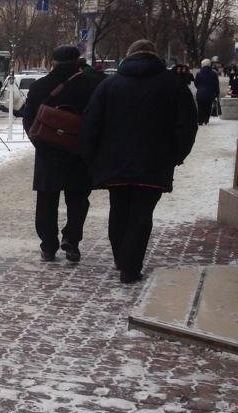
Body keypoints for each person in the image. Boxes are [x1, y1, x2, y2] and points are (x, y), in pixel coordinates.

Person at [81, 39, 198, 284]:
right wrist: (177, 155)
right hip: (155, 163)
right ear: (155, 57)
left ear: (128, 56)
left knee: (119, 209)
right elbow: (187, 125)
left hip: (114, 164)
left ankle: (122, 258)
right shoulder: (174, 86)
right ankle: (130, 268)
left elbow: (91, 124)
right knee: (142, 214)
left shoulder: (109, 85)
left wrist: (91, 157)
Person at [21, 44, 103, 264]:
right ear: (78, 61)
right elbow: (98, 121)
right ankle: (72, 240)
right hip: (79, 153)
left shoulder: (40, 86)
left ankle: (48, 246)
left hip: (48, 154)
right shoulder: (93, 85)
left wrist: (40, 143)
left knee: (46, 201)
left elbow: (28, 120)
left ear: (53, 62)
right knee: (77, 200)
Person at [194, 58, 220, 125]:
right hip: (210, 93)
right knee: (208, 107)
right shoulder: (213, 74)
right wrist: (217, 93)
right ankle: (206, 119)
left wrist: (200, 88)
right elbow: (216, 84)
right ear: (209, 65)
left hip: (200, 93)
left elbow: (196, 83)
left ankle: (200, 120)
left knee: (200, 107)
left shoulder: (199, 73)